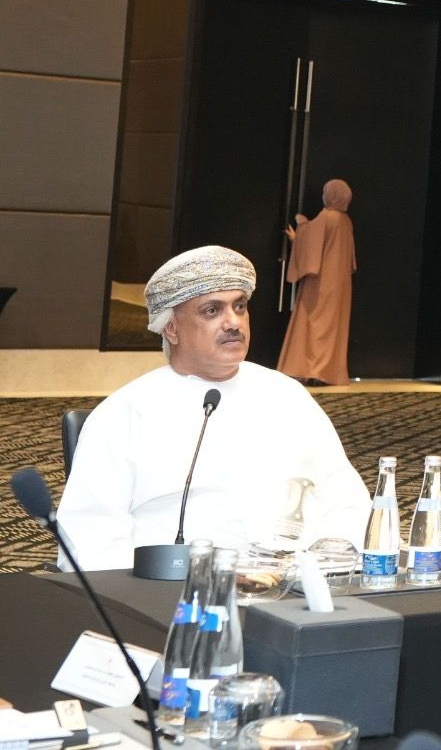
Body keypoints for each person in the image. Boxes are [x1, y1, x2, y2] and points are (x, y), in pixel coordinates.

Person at [57, 246, 370, 571]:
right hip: (175, 590)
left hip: (290, 585)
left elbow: (345, 500)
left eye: (240, 306)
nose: (233, 322)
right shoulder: (124, 414)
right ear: (171, 328)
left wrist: (329, 569)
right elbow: (90, 538)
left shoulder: (288, 397)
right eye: (211, 310)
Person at [278, 178, 357, 386]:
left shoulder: (327, 217)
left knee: (313, 323)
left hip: (321, 282)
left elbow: (311, 246)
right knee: (331, 328)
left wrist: (298, 235)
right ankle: (327, 372)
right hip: (340, 285)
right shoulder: (346, 222)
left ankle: (311, 370)